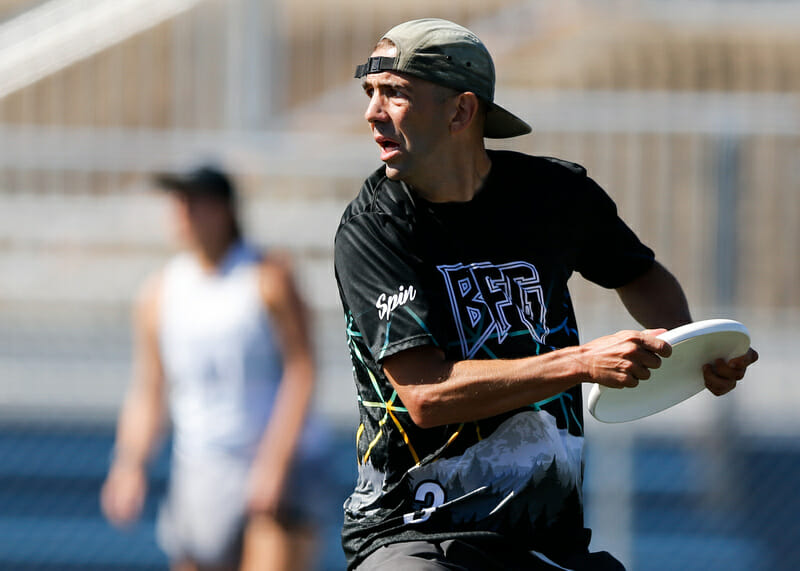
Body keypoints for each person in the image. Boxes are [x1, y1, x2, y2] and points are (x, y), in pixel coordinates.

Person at [333, 18, 759, 571]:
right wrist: (580, 363)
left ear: (461, 112)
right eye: (371, 93)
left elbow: (640, 275)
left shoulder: (556, 197)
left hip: (544, 538)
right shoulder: (374, 229)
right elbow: (426, 396)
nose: (372, 113)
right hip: (411, 536)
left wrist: (692, 352)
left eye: (395, 94)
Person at [101, 165, 325, 571]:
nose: (181, 213)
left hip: (275, 470)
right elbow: (150, 388)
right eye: (178, 202)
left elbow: (302, 370)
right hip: (201, 470)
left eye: (193, 202)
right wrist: (129, 463)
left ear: (222, 210)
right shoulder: (159, 293)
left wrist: (274, 464)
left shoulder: (268, 278)